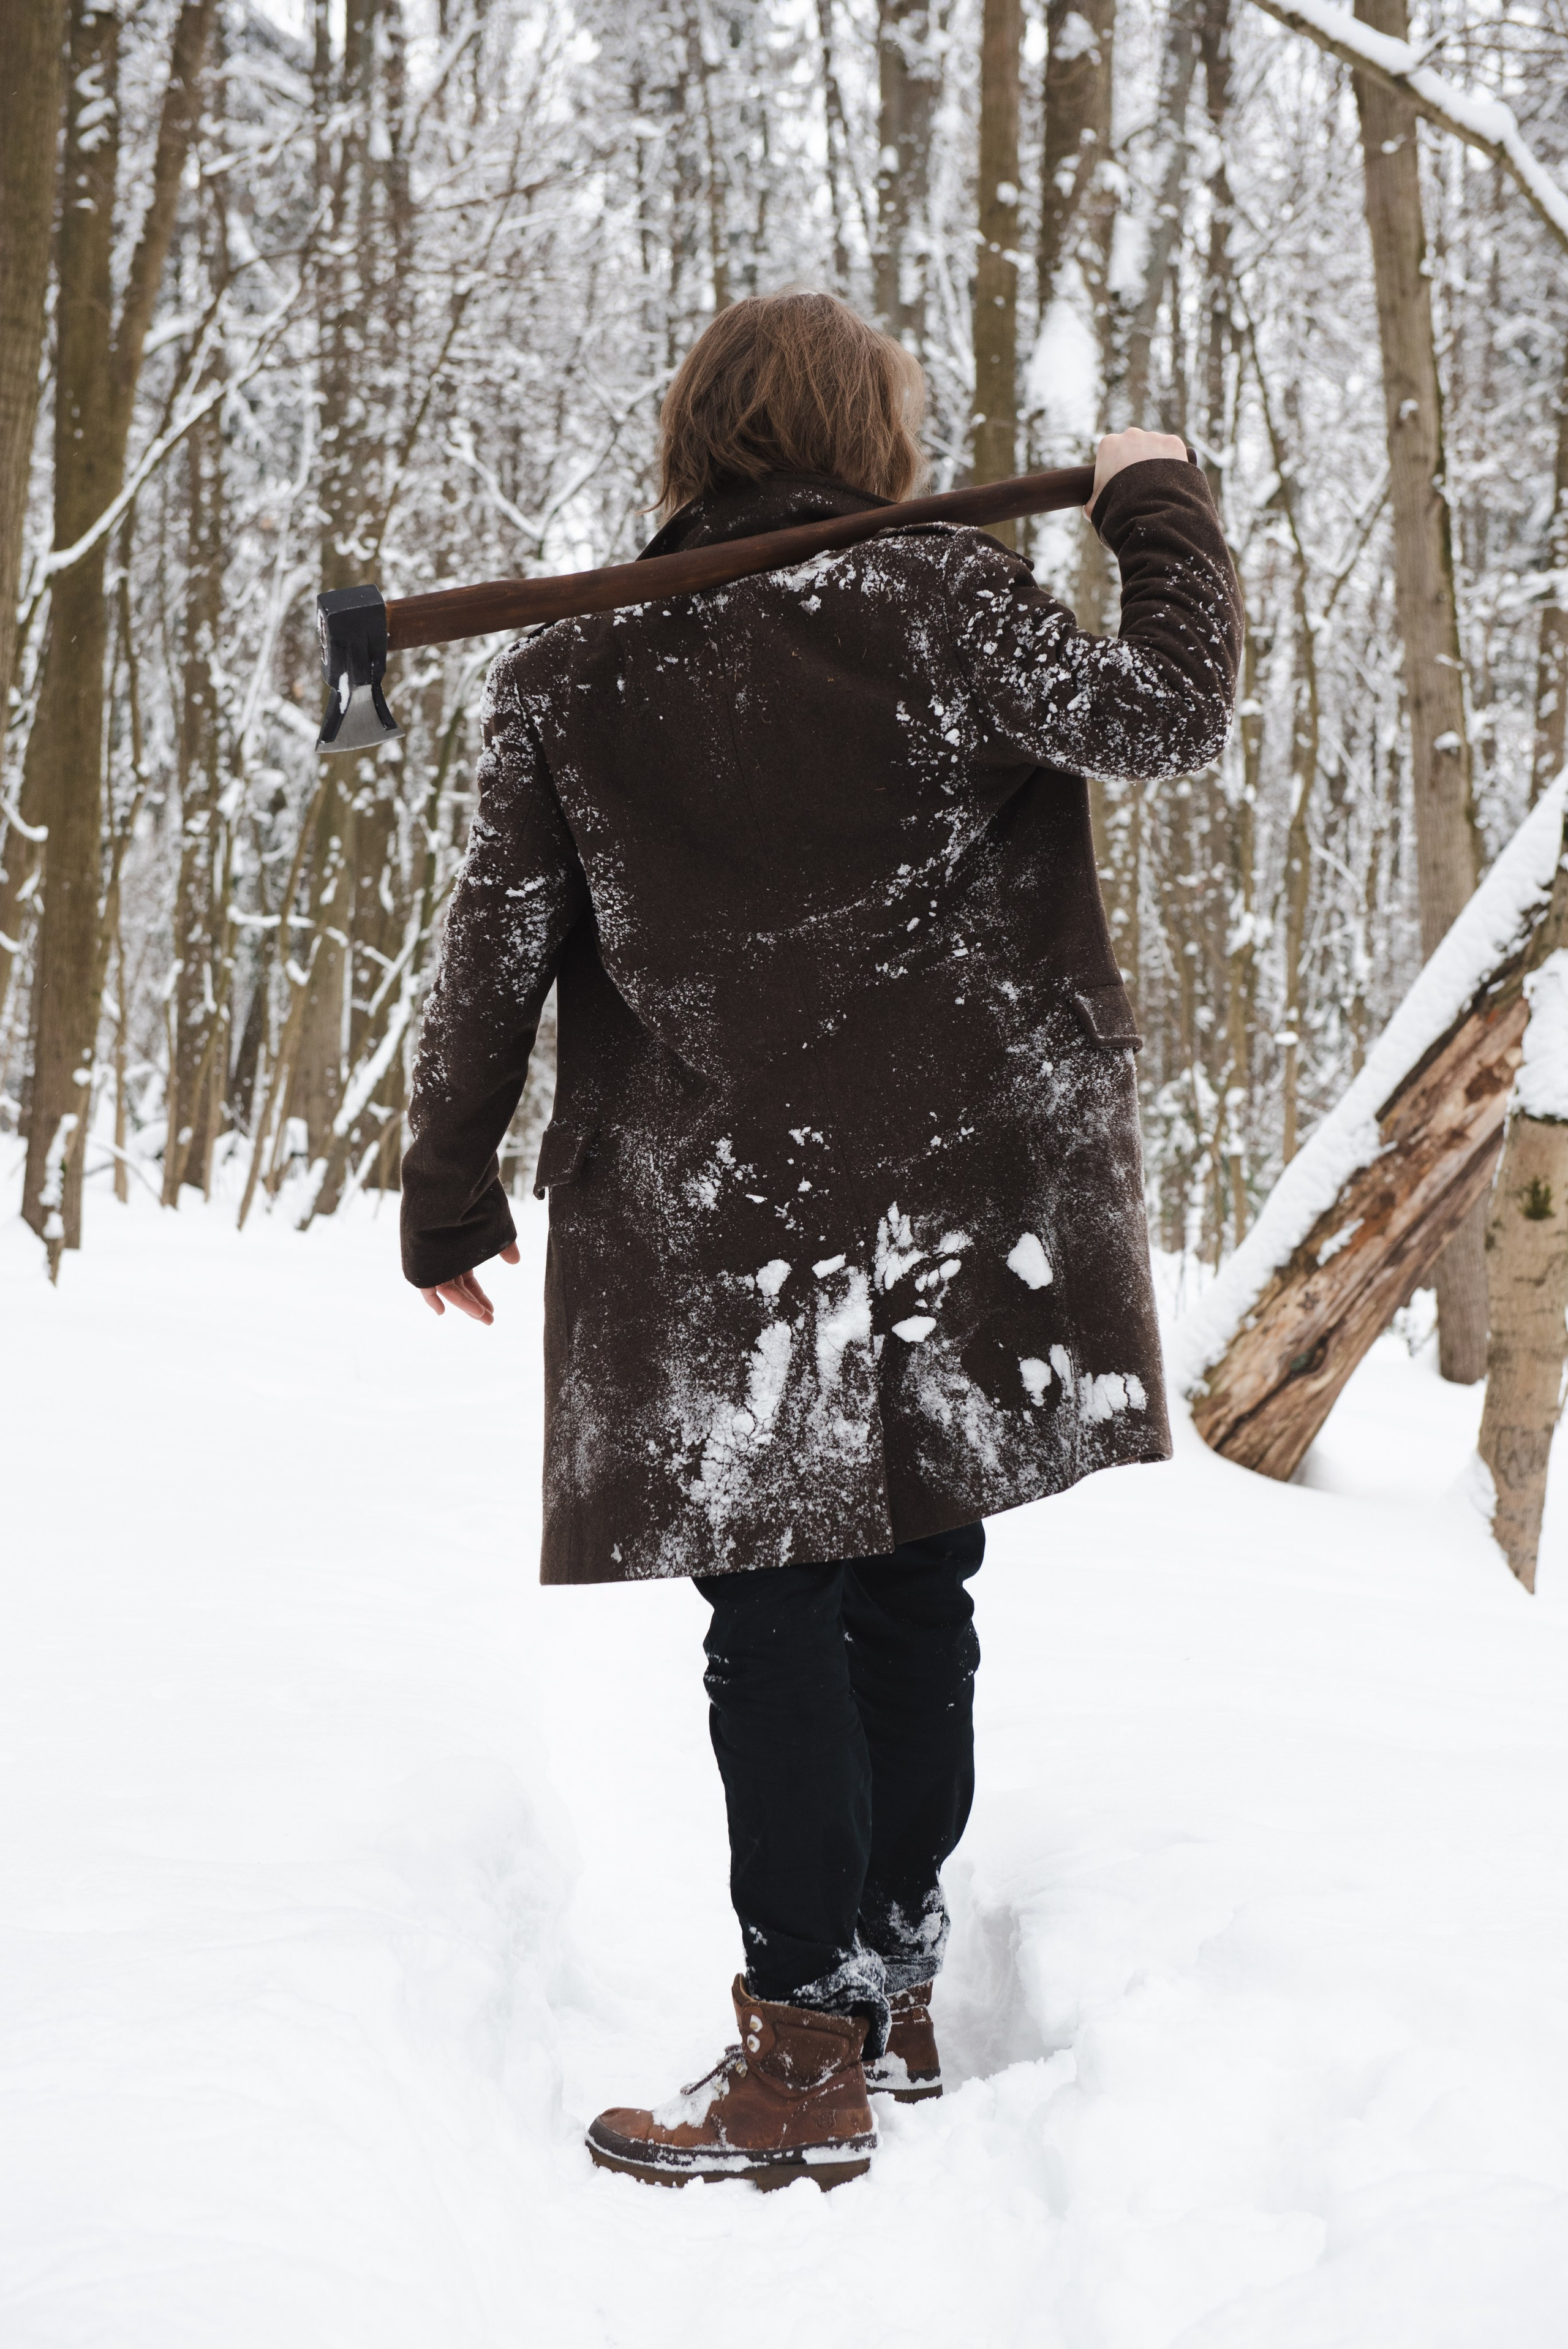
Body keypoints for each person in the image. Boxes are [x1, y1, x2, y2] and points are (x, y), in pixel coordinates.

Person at [400, 290, 1242, 2191]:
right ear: (872, 440)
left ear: (698, 433)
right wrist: (1158, 509)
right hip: (955, 1191)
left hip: (721, 1217)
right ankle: (869, 1996)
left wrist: (445, 1191)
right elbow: (1174, 713)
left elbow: (492, 956)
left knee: (775, 1608)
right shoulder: (940, 603)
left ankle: (817, 2033)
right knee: (912, 1584)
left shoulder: (574, 665)